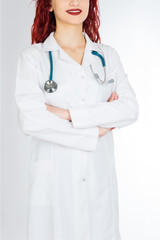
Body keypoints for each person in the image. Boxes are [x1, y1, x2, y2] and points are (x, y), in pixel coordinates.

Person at [15, 0, 139, 239]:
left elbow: (129, 109)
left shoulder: (106, 56)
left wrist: (68, 114)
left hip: (98, 189)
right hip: (53, 189)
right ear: (49, 5)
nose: (74, 2)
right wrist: (95, 130)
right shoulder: (34, 59)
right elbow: (31, 119)